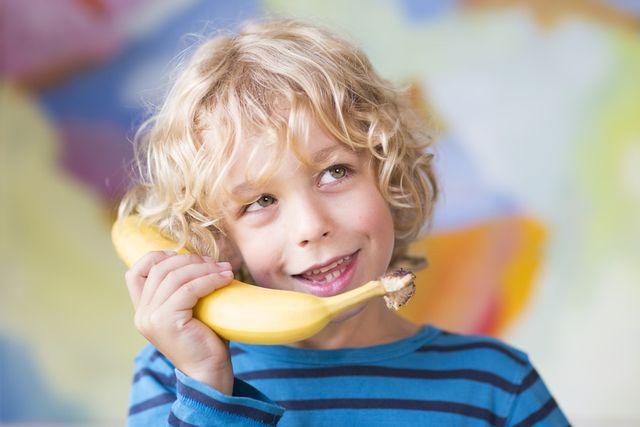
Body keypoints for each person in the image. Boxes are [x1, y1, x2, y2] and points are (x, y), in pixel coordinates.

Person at [120, 18, 569, 426]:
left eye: (334, 172)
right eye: (260, 201)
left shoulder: (498, 386)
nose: (311, 226)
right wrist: (208, 389)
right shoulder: (177, 377)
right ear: (223, 240)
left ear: (388, 174)